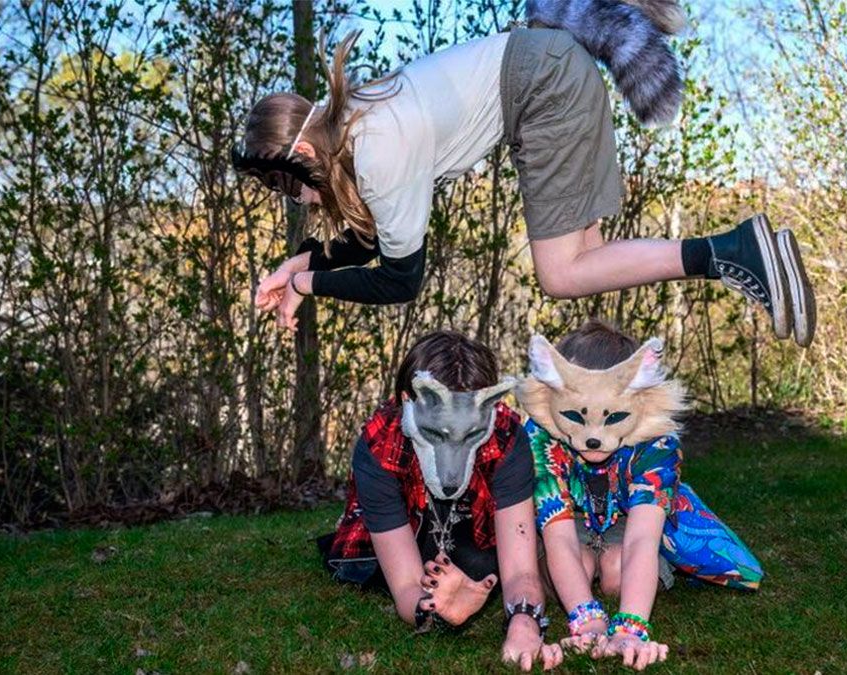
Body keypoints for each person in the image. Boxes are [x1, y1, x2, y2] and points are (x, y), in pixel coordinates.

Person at [235, 0, 816, 348]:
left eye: (287, 185)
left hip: (544, 88)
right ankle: (739, 254)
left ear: (304, 152)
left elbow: (399, 280)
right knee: (586, 259)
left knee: (561, 274)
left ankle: (733, 252)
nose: (299, 199)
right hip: (549, 71)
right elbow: (374, 239)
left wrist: (308, 286)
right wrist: (301, 264)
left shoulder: (378, 150)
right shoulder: (359, 122)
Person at [516, 320, 764, 671]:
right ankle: (587, 586)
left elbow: (642, 540)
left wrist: (629, 630)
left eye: (613, 417)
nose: (593, 436)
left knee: (617, 572)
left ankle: (632, 574)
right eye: (575, 415)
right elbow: (559, 538)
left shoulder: (657, 442)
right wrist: (589, 624)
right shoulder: (539, 438)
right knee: (577, 568)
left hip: (627, 524)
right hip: (570, 524)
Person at [317, 331, 563, 671]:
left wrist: (524, 626)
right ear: (407, 400)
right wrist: (431, 608)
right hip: (404, 535)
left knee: (486, 562)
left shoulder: (506, 436)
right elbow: (405, 584)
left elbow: (521, 568)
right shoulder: (380, 445)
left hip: (474, 534)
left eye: (471, 432)